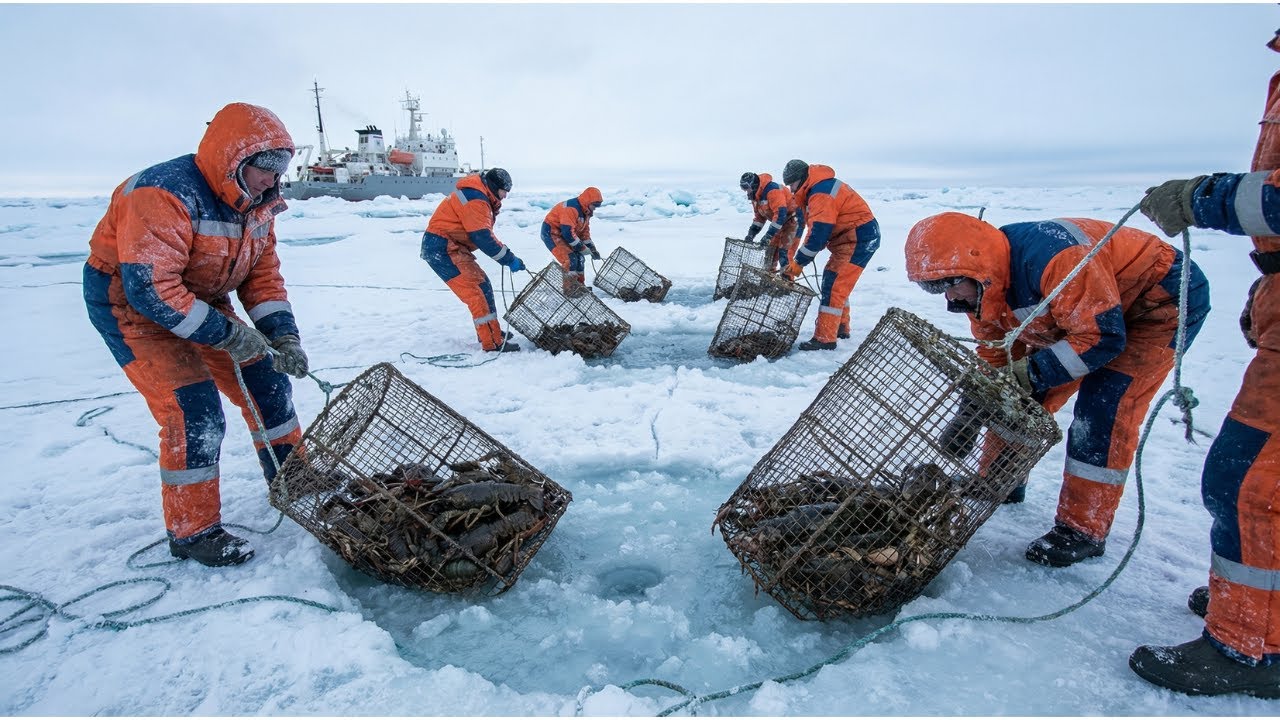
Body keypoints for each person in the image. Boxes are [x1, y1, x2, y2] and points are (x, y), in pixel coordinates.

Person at [904, 212, 1211, 569]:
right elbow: (996, 356)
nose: (948, 296)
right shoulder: (982, 289)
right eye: (933, 288)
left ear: (976, 264)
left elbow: (1101, 338)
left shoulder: (1056, 259)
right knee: (1018, 397)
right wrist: (971, 409)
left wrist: (1030, 373)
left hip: (1156, 301)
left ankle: (1083, 529)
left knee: (1103, 410)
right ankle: (999, 479)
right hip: (1082, 313)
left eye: (949, 283)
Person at [83, 102, 310, 567]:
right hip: (132, 307)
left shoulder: (259, 204)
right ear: (232, 160)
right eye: (264, 167)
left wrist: (283, 336)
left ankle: (295, 479)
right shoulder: (161, 192)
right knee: (194, 410)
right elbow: (151, 289)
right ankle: (193, 531)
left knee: (267, 381)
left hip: (204, 298)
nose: (272, 179)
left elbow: (261, 277)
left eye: (280, 168)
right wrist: (230, 335)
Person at [420, 168, 527, 352]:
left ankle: (490, 331)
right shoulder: (476, 199)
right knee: (476, 293)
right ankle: (492, 342)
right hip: (442, 248)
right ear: (493, 186)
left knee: (483, 284)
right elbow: (482, 237)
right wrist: (509, 259)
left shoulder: (479, 194)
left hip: (453, 246)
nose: (505, 196)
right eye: (504, 191)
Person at [779, 160, 880, 350]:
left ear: (801, 179)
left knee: (834, 285)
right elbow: (813, 230)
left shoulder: (821, 193)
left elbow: (819, 235)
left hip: (858, 239)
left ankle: (825, 339)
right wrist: (798, 262)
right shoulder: (815, 189)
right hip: (849, 239)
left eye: (792, 184)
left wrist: (797, 264)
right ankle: (840, 328)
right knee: (835, 281)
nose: (791, 190)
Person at [541, 186, 603, 295]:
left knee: (580, 258)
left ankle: (579, 286)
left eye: (597, 206)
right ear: (588, 201)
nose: (595, 208)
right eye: (595, 205)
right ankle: (569, 289)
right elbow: (568, 233)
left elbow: (584, 233)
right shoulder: (571, 208)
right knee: (570, 259)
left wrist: (592, 249)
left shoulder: (586, 212)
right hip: (552, 233)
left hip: (564, 235)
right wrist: (582, 247)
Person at [739, 171, 801, 272]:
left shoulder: (773, 190)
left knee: (785, 253)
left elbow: (780, 214)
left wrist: (768, 235)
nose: (746, 191)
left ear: (753, 185)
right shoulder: (756, 197)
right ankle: (768, 277)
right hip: (779, 224)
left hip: (794, 220)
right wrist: (751, 234)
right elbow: (759, 218)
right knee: (770, 251)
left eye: (746, 187)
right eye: (743, 188)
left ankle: (789, 279)